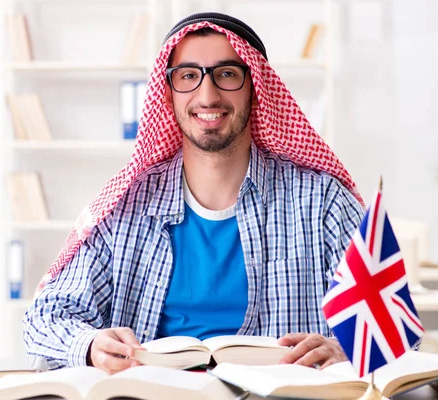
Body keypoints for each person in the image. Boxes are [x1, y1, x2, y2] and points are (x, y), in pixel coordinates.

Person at [23, 12, 365, 374]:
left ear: (257, 87)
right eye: (188, 76)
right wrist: (90, 345)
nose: (207, 95)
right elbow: (46, 317)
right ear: (167, 93)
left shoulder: (323, 202)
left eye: (227, 74)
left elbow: (391, 324)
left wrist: (346, 349)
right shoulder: (125, 208)